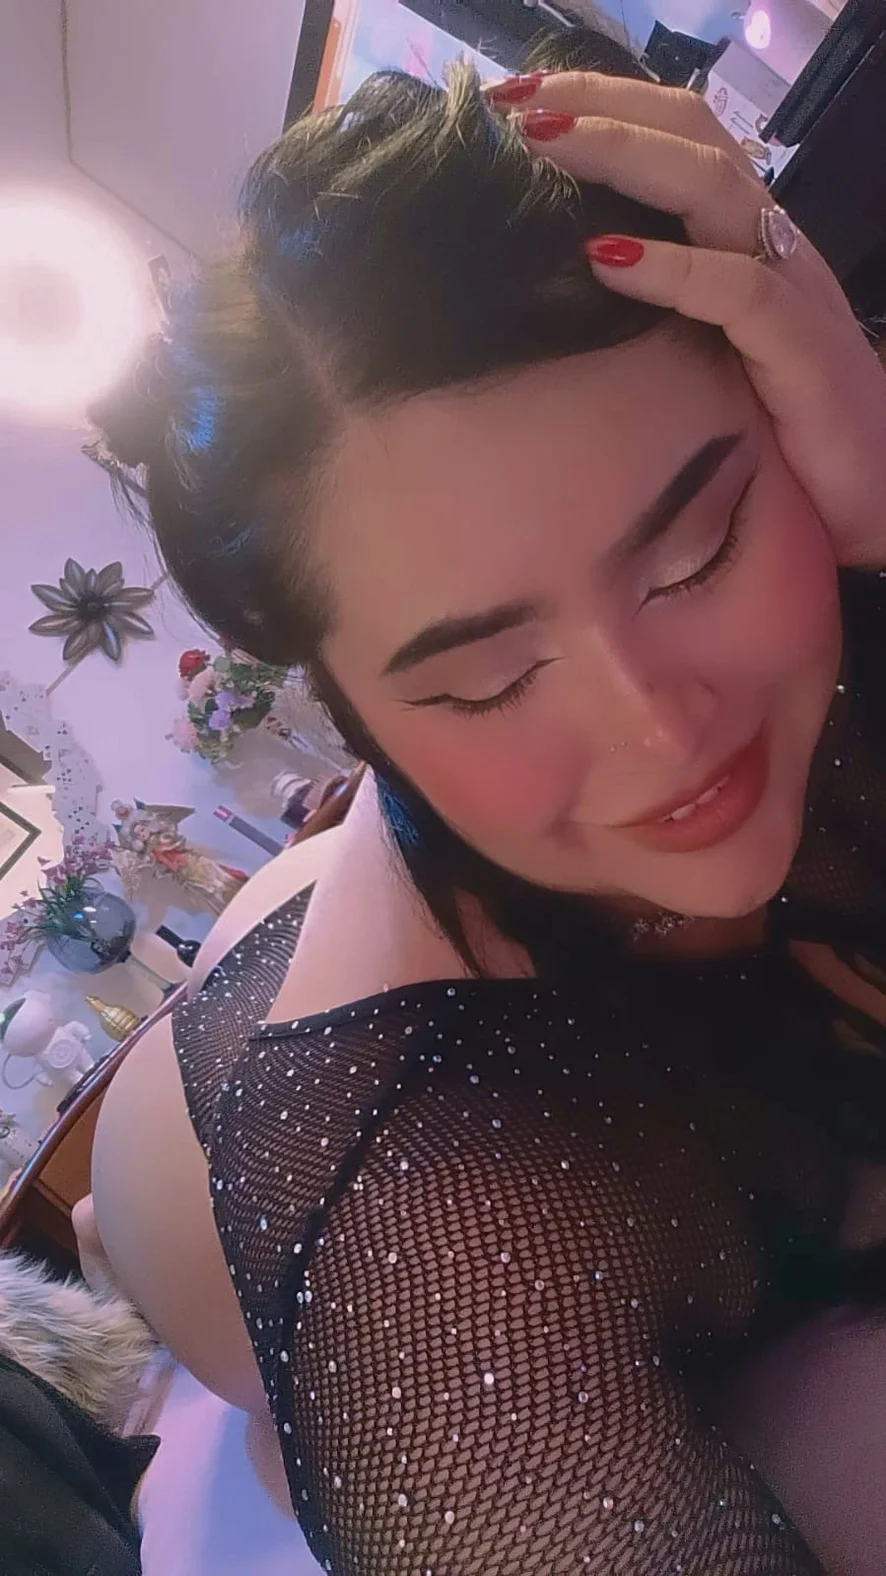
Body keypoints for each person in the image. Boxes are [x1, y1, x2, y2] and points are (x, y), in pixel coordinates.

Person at [81, 30, 886, 1576]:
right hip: (207, 1174)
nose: (658, 730)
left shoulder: (843, 517)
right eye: (485, 678)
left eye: (697, 550)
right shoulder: (431, 1204)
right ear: (352, 719)